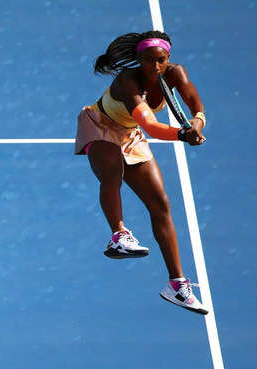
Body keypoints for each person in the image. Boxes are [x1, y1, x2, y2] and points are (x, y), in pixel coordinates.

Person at [75, 30, 208, 315]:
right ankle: (119, 236)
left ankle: (176, 285)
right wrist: (182, 136)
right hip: (100, 124)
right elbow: (150, 125)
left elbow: (195, 103)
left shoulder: (176, 73)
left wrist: (197, 122)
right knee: (112, 173)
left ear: (168, 58)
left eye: (160, 60)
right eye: (148, 61)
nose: (155, 67)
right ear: (138, 60)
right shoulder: (127, 81)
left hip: (129, 134)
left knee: (160, 204)